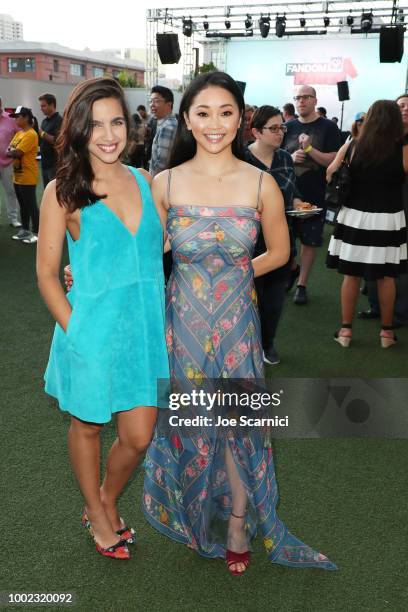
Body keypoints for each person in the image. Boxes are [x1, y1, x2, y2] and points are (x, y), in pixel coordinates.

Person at [142, 71, 337, 575]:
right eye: (202, 113)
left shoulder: (259, 182)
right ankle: (195, 504)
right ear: (186, 119)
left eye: (225, 113)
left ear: (241, 117)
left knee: (236, 422)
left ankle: (236, 518)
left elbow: (281, 252)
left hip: (236, 321)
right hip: (181, 320)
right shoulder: (162, 183)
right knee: (191, 418)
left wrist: (235, 272)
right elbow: (147, 253)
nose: (214, 124)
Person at [37, 77, 169, 560]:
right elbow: (48, 276)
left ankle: (108, 499)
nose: (108, 134)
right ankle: (95, 510)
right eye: (95, 125)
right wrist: (80, 331)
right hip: (90, 332)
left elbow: (158, 249)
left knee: (138, 437)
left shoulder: (144, 180)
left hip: (144, 333)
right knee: (88, 426)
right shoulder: (62, 191)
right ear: (77, 129)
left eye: (116, 121)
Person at [326, 99, 408, 348]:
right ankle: (386, 333)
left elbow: (330, 172)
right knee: (386, 277)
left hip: (354, 216)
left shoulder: (352, 145)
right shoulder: (403, 148)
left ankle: (345, 332)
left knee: (351, 276)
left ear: (369, 118)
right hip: (389, 218)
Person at [245, 105, 304, 365]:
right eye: (273, 128)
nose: (280, 133)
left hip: (282, 240)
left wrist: (300, 204)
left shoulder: (285, 159)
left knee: (274, 301)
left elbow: (293, 195)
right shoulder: (241, 161)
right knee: (246, 299)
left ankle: (267, 344)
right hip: (248, 242)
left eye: (282, 127)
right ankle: (247, 347)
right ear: (256, 131)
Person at [284, 85, 341, 304]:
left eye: (306, 97)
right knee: (286, 241)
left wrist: (309, 150)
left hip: (315, 193)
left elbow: (333, 161)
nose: (301, 101)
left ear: (315, 100)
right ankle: (292, 269)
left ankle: (302, 284)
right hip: (287, 194)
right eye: (297, 97)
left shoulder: (328, 128)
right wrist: (291, 157)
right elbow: (278, 157)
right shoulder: (287, 126)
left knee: (309, 241)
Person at [7, 106, 40, 244]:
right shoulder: (19, 133)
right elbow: (9, 150)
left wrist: (11, 151)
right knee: (23, 205)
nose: (16, 119)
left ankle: (36, 233)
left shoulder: (31, 134)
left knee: (31, 205)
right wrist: (11, 151)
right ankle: (25, 230)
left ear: (26, 117)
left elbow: (16, 152)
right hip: (18, 176)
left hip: (28, 176)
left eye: (18, 117)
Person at [0, 97, 20, 227]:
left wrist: (12, 150)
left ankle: (13, 218)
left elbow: (19, 137)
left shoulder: (11, 119)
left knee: (11, 191)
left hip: (8, 162)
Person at [149, 85, 178, 177]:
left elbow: (162, 164)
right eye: (151, 101)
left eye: (156, 101)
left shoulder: (168, 127)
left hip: (160, 185)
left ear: (169, 105)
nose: (152, 105)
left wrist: (151, 184)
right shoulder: (168, 123)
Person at [38, 93, 63, 187]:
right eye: (41, 106)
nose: (41, 108)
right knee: (47, 192)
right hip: (44, 163)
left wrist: (42, 133)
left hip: (54, 165)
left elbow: (57, 141)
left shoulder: (59, 121)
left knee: (55, 192)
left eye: (43, 105)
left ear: (52, 105)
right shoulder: (44, 121)